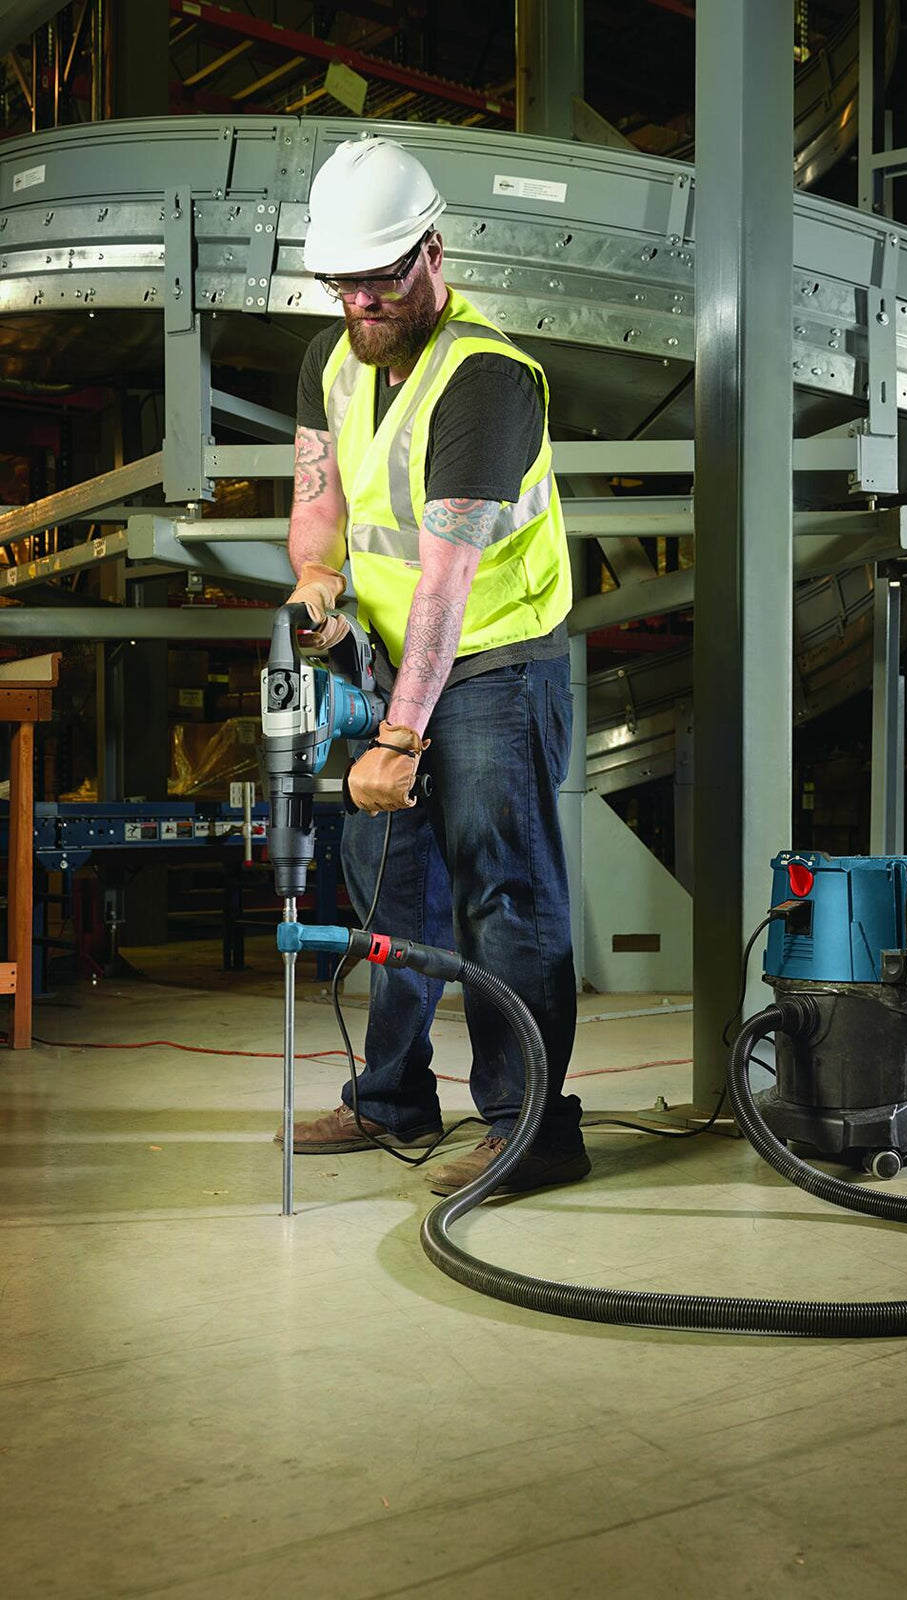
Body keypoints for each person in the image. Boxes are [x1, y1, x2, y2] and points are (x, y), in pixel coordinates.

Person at [275, 136, 587, 1195]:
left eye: (380, 280)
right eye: (343, 284)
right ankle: (393, 1098)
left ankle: (534, 1126)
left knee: (506, 893)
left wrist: (401, 737)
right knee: (386, 891)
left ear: (431, 252)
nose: (361, 303)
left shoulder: (487, 379)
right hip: (387, 659)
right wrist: (317, 584)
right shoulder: (329, 360)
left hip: (497, 662)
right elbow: (318, 507)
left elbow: (448, 585)